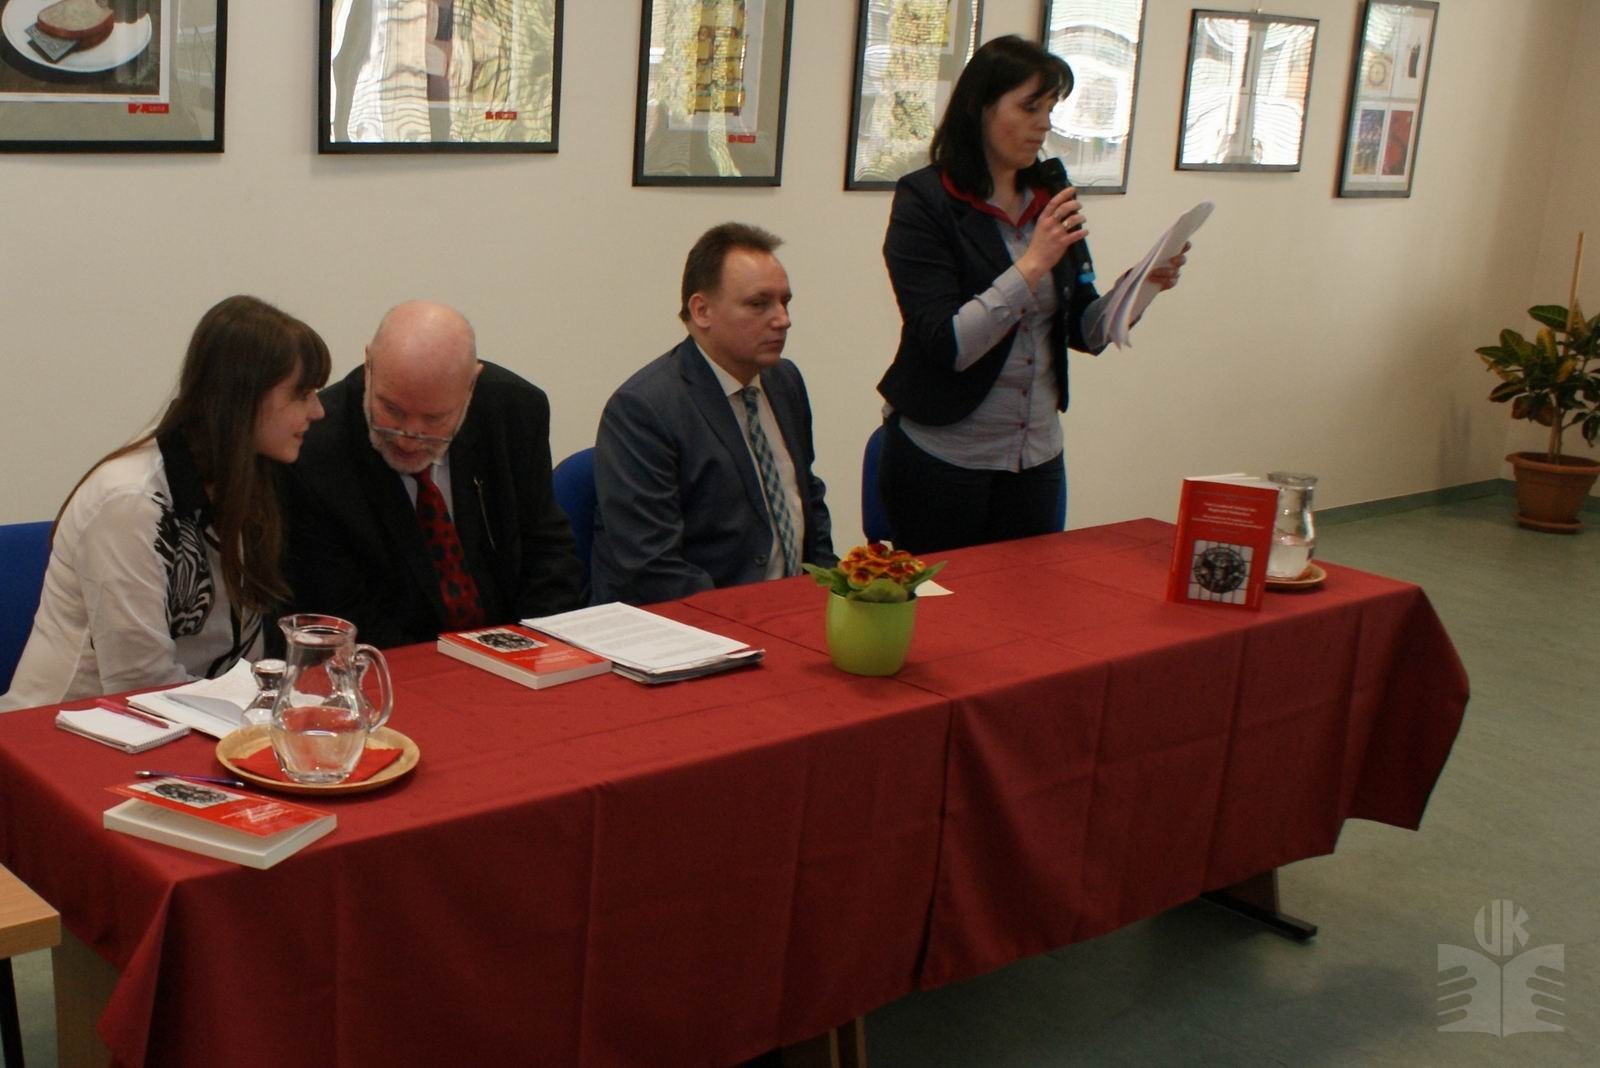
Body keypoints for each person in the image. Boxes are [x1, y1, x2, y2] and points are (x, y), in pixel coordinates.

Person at [878, 35, 1188, 554]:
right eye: (1029, 107)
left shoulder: (1049, 194)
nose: (1043, 124)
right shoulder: (925, 200)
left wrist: (1142, 286)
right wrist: (1031, 265)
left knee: (1031, 596)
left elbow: (1085, 331)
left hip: (1036, 454)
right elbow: (948, 344)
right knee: (949, 603)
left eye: (1049, 109)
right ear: (980, 107)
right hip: (945, 456)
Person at [0, 296, 331, 712]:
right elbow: (139, 683)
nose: (319, 410)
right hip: (66, 728)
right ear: (244, 398)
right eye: (302, 393)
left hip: (192, 717)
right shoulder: (129, 502)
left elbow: (242, 655)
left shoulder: (248, 477)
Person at [284, 300, 582, 648]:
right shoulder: (314, 448)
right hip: (396, 659)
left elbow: (548, 556)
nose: (409, 437)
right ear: (368, 366)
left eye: (434, 418)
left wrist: (531, 650)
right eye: (392, 410)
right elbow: (340, 614)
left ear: (470, 386)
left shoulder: (514, 411)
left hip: (514, 652)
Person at [591, 222, 835, 605]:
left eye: (784, 302)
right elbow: (652, 567)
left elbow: (806, 500)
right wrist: (750, 620)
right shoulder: (644, 408)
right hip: (696, 618)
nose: (782, 319)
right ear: (701, 310)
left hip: (790, 608)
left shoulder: (784, 381)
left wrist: (831, 592)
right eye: (759, 304)